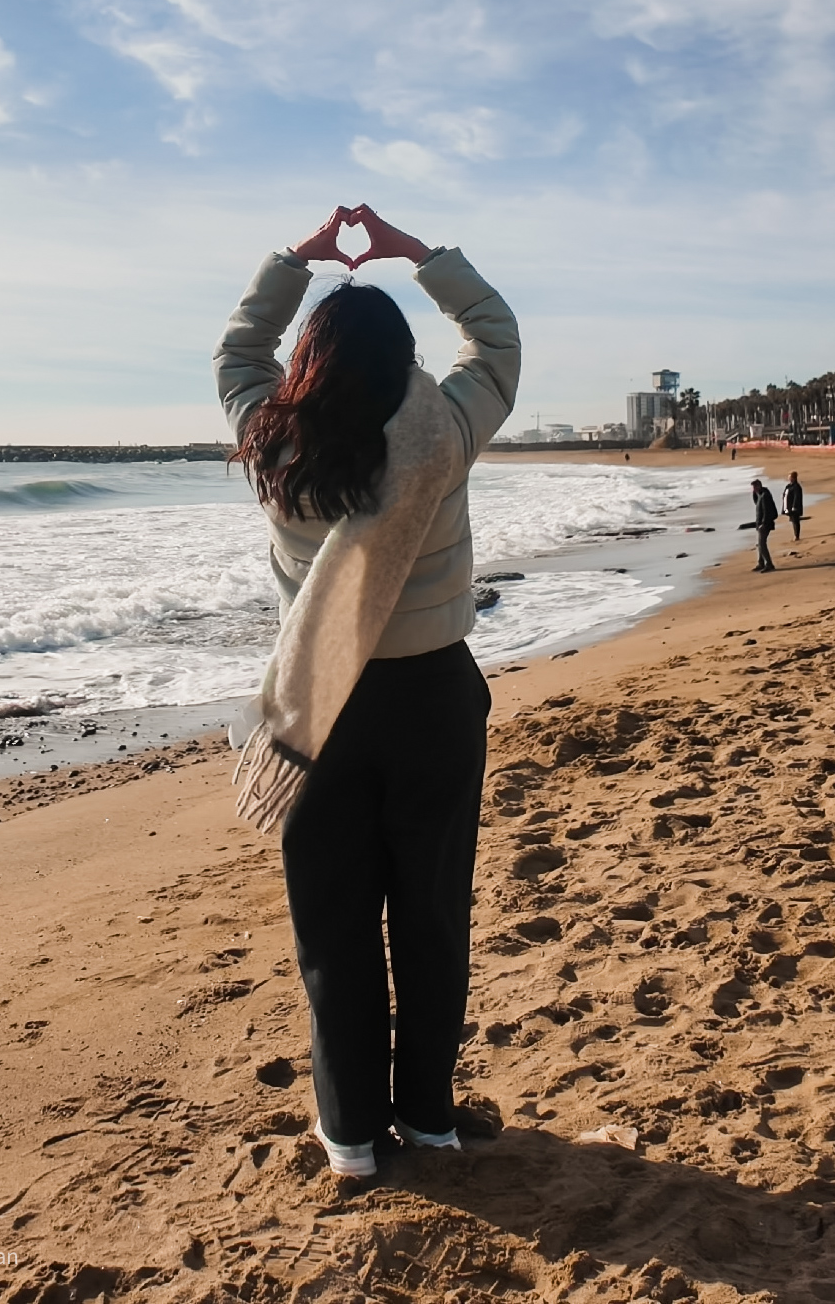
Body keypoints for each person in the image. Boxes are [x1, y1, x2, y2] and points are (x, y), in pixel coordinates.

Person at [213, 203, 520, 1179]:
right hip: (432, 699)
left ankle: (350, 1136)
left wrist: (297, 260)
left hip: (319, 712)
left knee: (334, 929)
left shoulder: (273, 439)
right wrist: (417, 253)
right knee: (429, 914)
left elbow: (238, 346)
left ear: (307, 362)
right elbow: (498, 333)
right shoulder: (447, 430)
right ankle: (427, 1117)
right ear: (405, 364)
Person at [752, 478, 778, 572]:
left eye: (754, 487)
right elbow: (756, 503)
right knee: (760, 544)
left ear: (759, 486)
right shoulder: (760, 495)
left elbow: (767, 511)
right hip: (760, 523)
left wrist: (763, 523)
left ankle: (769, 564)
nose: (753, 489)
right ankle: (761, 563)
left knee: (762, 544)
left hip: (765, 524)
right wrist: (754, 493)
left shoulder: (765, 496)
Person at [782, 470, 804, 541]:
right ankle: (795, 535)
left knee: (796, 521)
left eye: (790, 477)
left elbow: (797, 497)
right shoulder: (788, 486)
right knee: (793, 520)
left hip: (794, 507)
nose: (788, 478)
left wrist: (794, 506)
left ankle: (797, 536)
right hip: (788, 506)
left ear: (793, 478)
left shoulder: (796, 486)